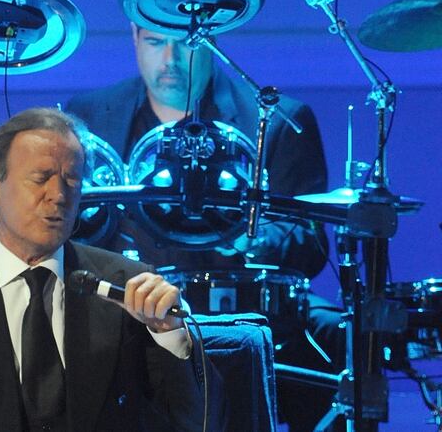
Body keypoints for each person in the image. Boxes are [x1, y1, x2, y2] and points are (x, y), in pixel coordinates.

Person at [66, 25, 345, 431]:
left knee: (334, 337)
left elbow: (308, 244)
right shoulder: (90, 114)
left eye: (184, 45)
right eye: (156, 43)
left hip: (245, 303)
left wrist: (246, 235)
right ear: (134, 38)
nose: (170, 61)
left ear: (211, 43)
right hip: (130, 301)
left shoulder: (279, 118)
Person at [0, 108, 226, 431]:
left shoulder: (126, 285)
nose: (59, 195)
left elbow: (197, 422)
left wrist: (169, 335)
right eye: (41, 178)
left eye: (72, 180)